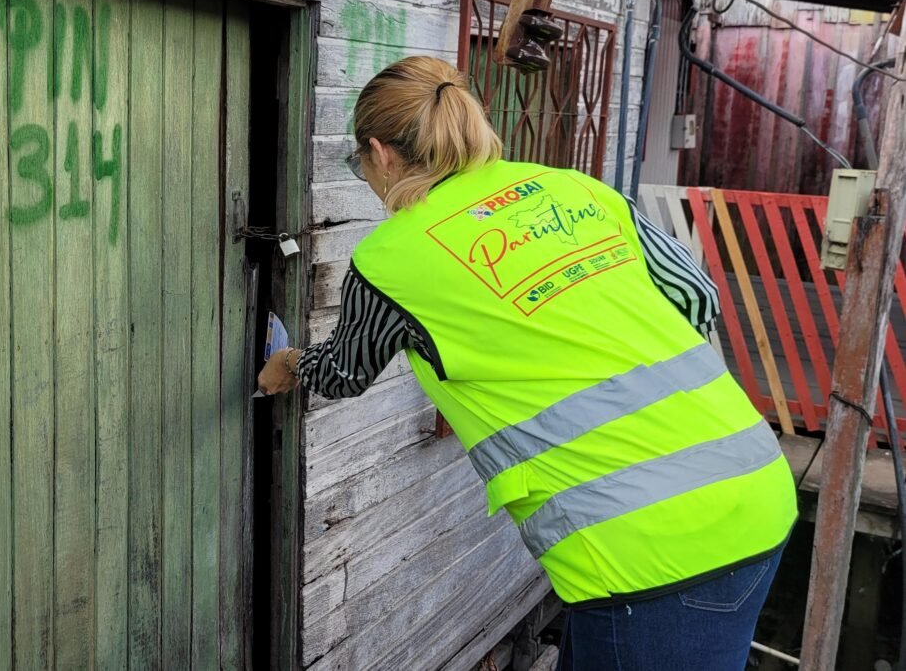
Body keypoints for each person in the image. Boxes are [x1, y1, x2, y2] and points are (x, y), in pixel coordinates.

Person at [257, 56, 797, 670]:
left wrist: (288, 364)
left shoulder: (393, 257)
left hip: (648, 550)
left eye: (359, 166)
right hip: (752, 480)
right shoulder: (575, 188)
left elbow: (344, 374)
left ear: (379, 153)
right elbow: (697, 297)